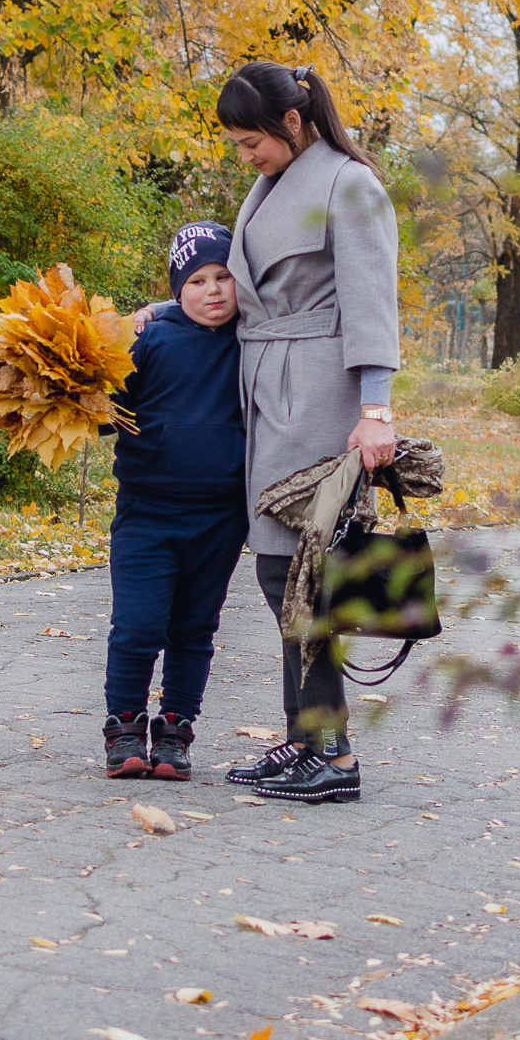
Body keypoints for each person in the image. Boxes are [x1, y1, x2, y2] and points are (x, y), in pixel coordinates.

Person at [214, 61, 401, 805]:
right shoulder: (269, 187)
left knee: (301, 574)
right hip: (267, 388)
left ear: (291, 123)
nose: (244, 156)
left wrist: (376, 410)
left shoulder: (348, 184)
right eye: (236, 144)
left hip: (320, 392)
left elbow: (372, 302)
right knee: (279, 569)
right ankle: (304, 741)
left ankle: (334, 753)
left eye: (250, 140)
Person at [99, 222, 249, 781]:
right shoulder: (148, 340)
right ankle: (124, 728)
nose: (213, 290)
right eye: (196, 280)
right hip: (147, 512)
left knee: (194, 629)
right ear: (177, 289)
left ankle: (176, 731)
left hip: (220, 516)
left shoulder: (252, 340)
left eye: (225, 276)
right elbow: (104, 415)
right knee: (137, 626)